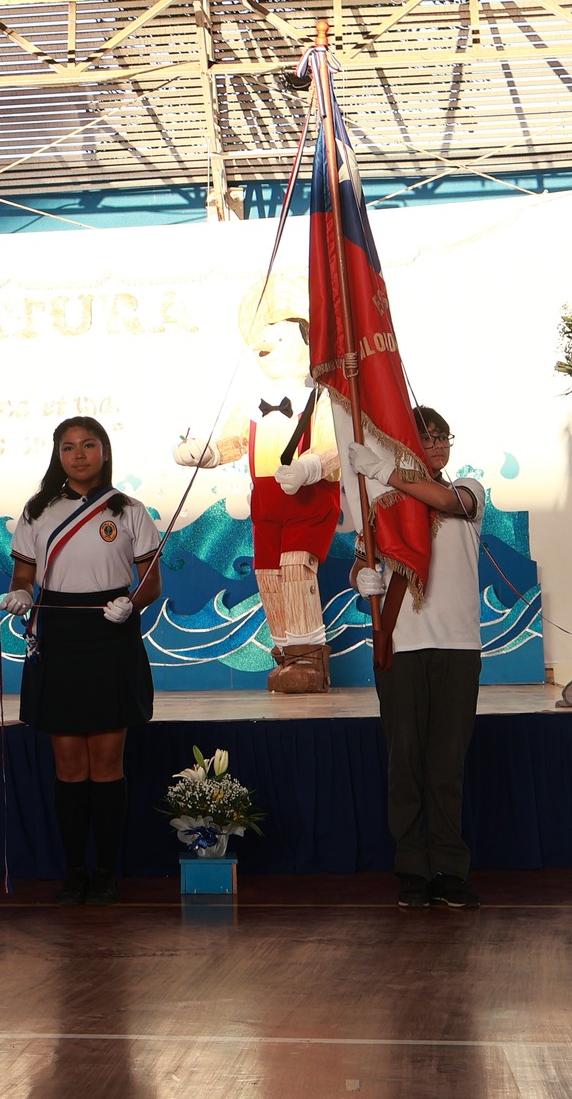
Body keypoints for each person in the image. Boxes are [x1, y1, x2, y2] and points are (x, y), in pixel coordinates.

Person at [4, 416, 162, 907]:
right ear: (58, 455)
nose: (78, 455)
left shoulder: (130, 510)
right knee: (69, 764)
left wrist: (131, 605)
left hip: (112, 634)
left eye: (88, 445)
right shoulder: (36, 512)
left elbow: (151, 583)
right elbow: (23, 577)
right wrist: (18, 596)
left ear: (104, 451)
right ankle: (74, 871)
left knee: (107, 762)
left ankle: (107, 871)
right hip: (60, 639)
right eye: (68, 447)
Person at [172, 277, 342, 692]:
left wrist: (310, 467)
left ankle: (308, 657)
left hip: (309, 496)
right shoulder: (252, 397)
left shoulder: (324, 396)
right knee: (267, 574)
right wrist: (205, 452)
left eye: (276, 335)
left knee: (295, 567)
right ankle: (285, 653)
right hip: (265, 501)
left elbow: (337, 445)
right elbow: (232, 442)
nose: (264, 345)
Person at [347, 407, 486, 910]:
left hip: (457, 646)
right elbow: (362, 563)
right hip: (402, 645)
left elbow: (447, 501)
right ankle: (412, 867)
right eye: (422, 437)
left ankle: (450, 867)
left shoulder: (469, 489)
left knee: (447, 763)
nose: (435, 445)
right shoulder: (382, 506)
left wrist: (385, 471)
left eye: (440, 436)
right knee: (404, 761)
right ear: (403, 443)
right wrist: (360, 578)